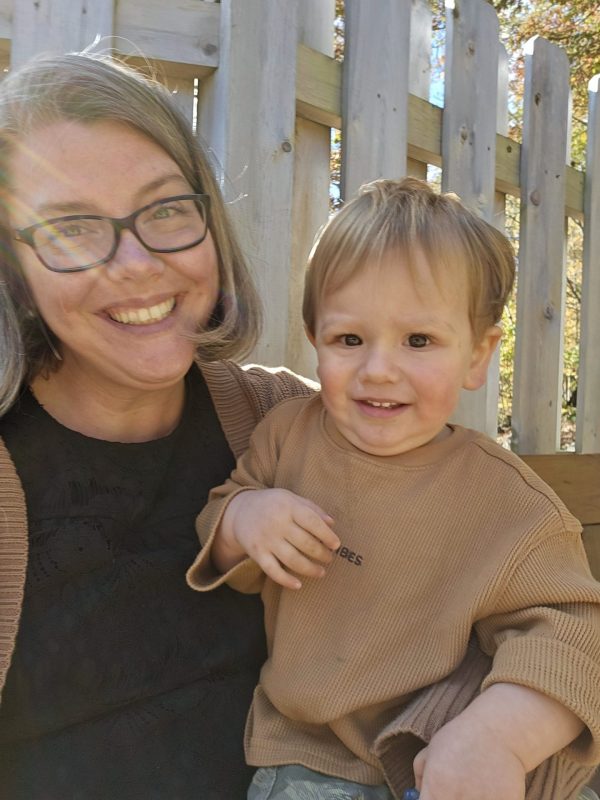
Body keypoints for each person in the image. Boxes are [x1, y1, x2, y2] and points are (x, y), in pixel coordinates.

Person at [187, 178, 600, 800]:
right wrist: (245, 518)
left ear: (477, 355)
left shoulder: (509, 503)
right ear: (316, 340)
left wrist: (499, 737)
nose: (379, 369)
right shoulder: (286, 437)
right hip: (310, 754)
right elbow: (218, 524)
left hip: (454, 753)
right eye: (350, 339)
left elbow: (574, 635)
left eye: (418, 341)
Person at [0, 51, 315, 799]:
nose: (138, 263)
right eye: (71, 228)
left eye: (167, 208)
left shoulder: (291, 422)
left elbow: (515, 584)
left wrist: (500, 728)